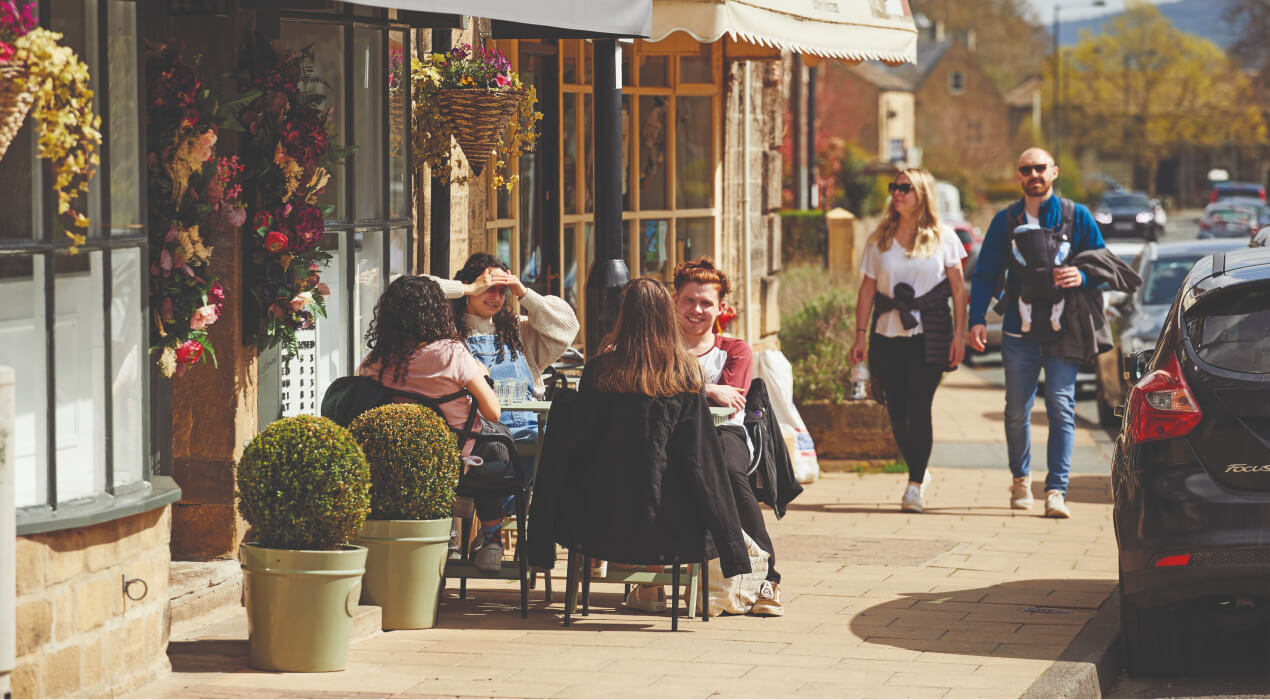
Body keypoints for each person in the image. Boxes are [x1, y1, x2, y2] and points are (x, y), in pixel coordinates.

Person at [546, 277, 749, 613]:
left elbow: (578, 447)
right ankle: (667, 590)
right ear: (667, 317)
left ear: (624, 316)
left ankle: (638, 590)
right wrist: (729, 547)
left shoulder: (599, 371)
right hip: (668, 522)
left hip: (598, 516)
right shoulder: (685, 374)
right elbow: (700, 460)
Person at [968, 148, 1105, 518]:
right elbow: (984, 274)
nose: (1034, 174)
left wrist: (1084, 275)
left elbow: (1103, 262)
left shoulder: (1077, 216)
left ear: (1054, 172)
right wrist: (976, 319)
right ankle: (1020, 478)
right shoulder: (1006, 220)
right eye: (1026, 169)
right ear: (1019, 177)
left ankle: (1057, 490)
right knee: (1016, 412)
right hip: (1018, 332)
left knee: (1061, 406)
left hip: (1064, 330)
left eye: (1040, 168)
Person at [420, 254, 580, 569]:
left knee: (558, 455)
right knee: (489, 454)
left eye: (501, 290)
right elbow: (419, 289)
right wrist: (467, 288)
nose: (495, 296)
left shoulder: (520, 331)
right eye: (488, 288)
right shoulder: (447, 335)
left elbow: (567, 327)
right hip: (477, 437)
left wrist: (524, 292)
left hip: (529, 436)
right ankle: (491, 536)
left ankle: (521, 536)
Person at [356, 279, 505, 570]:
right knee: (498, 449)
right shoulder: (452, 353)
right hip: (457, 459)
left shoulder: (378, 360)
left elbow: (359, 391)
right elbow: (493, 411)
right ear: (437, 312)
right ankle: (491, 542)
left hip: (396, 461)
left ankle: (448, 531)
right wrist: (479, 371)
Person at [847, 168, 968, 514]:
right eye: (894, 187)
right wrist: (859, 336)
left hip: (930, 333)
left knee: (919, 406)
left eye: (905, 188)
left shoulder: (944, 238)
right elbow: (867, 289)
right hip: (886, 335)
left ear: (922, 195)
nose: (897, 193)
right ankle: (920, 464)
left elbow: (958, 290)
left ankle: (914, 485)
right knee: (896, 411)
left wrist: (958, 335)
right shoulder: (878, 239)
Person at [671, 258, 784, 617]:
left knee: (730, 475)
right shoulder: (661, 346)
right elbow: (652, 381)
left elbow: (731, 397)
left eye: (706, 303)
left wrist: (692, 388)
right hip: (672, 431)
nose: (696, 310)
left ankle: (769, 577)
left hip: (724, 431)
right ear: (675, 301)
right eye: (689, 300)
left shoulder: (734, 349)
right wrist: (707, 388)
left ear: (721, 308)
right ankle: (648, 571)